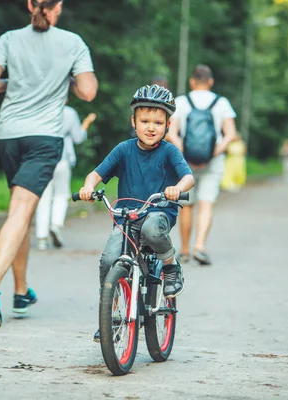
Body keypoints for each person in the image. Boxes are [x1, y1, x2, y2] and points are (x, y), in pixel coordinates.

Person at [0, 0, 98, 327]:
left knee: (21, 212)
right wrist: (64, 81)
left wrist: (12, 84)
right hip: (44, 137)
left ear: (29, 4)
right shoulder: (72, 42)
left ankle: (21, 289)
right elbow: (88, 92)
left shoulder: (9, 39)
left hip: (9, 134)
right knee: (20, 211)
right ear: (58, 8)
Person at [78, 84, 195, 341]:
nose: (151, 127)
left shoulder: (169, 151)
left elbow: (188, 177)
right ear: (133, 121)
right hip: (126, 218)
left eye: (158, 122)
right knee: (110, 260)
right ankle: (109, 316)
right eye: (144, 121)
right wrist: (88, 187)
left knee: (152, 229)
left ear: (167, 125)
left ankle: (170, 265)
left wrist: (176, 188)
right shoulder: (123, 150)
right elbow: (96, 174)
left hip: (158, 211)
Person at [165, 65, 238, 266]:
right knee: (206, 204)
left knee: (187, 206)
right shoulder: (221, 102)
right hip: (212, 161)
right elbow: (230, 134)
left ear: (192, 81)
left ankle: (185, 250)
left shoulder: (181, 101)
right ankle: (200, 246)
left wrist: (183, 151)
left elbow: (172, 132)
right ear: (211, 82)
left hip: (185, 162)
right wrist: (213, 153)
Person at [35, 103, 97, 250]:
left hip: (42, 159)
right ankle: (55, 225)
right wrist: (86, 123)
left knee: (43, 197)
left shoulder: (41, 110)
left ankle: (42, 238)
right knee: (61, 195)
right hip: (62, 159)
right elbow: (78, 137)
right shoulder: (69, 113)